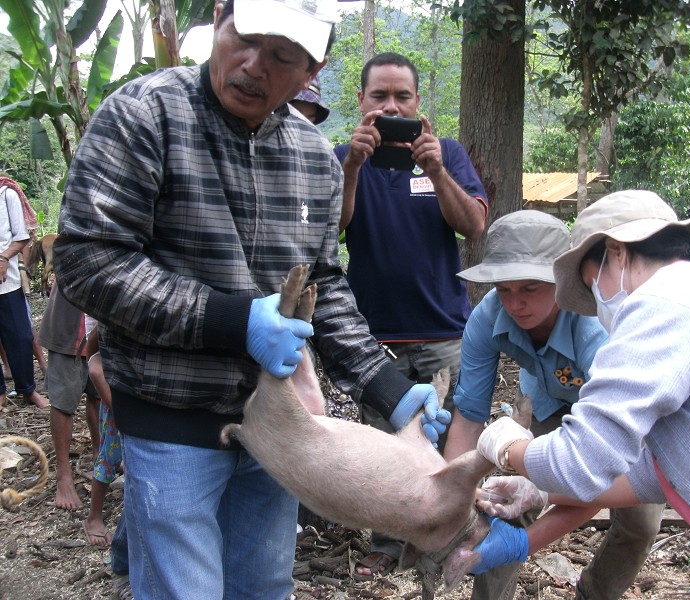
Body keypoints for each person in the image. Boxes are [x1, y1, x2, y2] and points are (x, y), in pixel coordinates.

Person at [53, 1, 450, 598]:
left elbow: (324, 282)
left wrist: (384, 385)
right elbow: (89, 260)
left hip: (281, 428)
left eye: (283, 57)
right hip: (171, 416)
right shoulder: (143, 116)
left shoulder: (314, 156)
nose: (253, 66)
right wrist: (232, 320)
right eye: (244, 39)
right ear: (219, 17)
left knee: (261, 586)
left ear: (312, 69)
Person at [470, 190, 690, 599]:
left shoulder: (664, 300)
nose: (597, 302)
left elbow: (582, 460)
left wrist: (507, 447)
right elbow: (650, 475)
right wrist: (540, 491)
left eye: (593, 283)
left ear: (617, 253)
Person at [443, 209, 663, 600]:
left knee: (640, 523)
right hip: (549, 402)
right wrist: (451, 496)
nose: (515, 304)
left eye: (530, 288)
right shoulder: (487, 319)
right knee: (505, 501)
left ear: (562, 277)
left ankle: (595, 593)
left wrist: (535, 518)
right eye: (504, 289)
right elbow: (468, 419)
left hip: (620, 414)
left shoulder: (596, 327)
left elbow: (597, 473)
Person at [333, 51, 489, 579]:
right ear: (361, 102)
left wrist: (438, 171)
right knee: (384, 444)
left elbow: (474, 226)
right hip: (374, 337)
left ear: (418, 103)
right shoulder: (344, 157)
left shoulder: (446, 154)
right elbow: (331, 229)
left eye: (402, 97)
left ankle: (444, 535)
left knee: (451, 441)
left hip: (445, 329)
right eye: (380, 97)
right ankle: (388, 540)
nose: (391, 106)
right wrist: (353, 167)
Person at [38, 281, 100, 509]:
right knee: (64, 401)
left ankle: (100, 456)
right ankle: (64, 476)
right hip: (70, 324)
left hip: (102, 322)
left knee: (98, 395)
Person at [0, 174, 47, 408]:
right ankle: (0, 392)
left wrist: (3, 257)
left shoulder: (7, 194)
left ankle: (28, 390)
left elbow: (21, 238)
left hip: (6, 282)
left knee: (20, 336)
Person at [82, 327, 123, 547]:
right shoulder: (109, 324)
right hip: (117, 404)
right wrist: (114, 407)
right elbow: (95, 367)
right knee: (109, 457)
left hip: (139, 405)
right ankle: (93, 517)